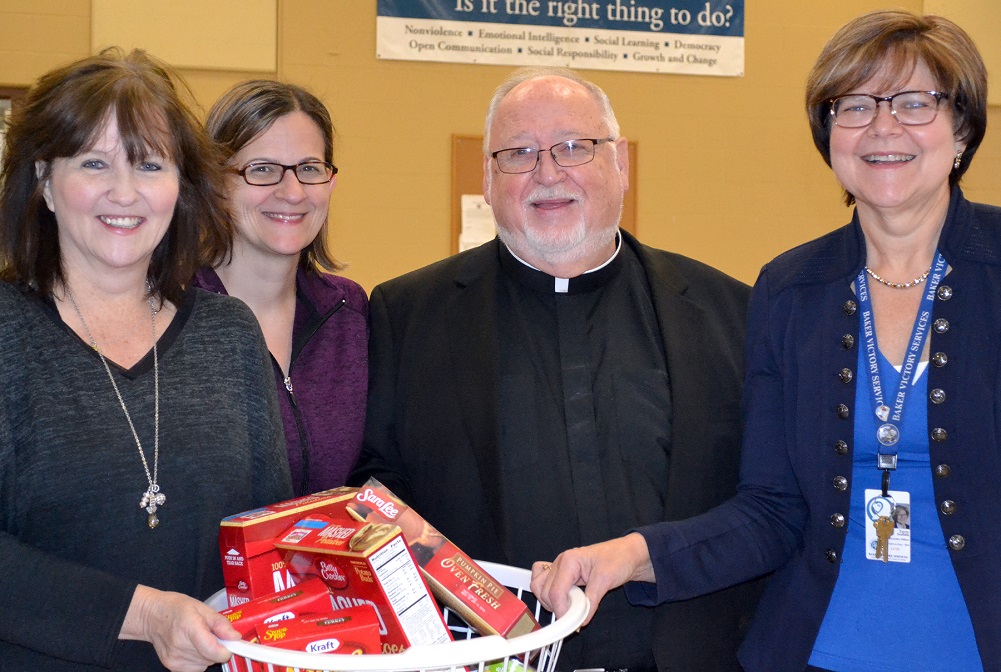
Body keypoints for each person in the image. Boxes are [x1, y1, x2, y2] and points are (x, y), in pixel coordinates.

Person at [532, 10, 999, 672]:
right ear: (828, 133)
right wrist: (628, 555)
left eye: (914, 102)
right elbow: (770, 512)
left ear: (961, 128)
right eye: (855, 105)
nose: (882, 127)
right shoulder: (788, 290)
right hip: (813, 653)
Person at [350, 66, 761, 671]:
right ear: (488, 180)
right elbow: (374, 490)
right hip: (487, 658)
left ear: (620, 163)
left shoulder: (731, 311)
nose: (547, 173)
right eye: (518, 153)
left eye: (574, 147)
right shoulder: (406, 315)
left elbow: (766, 503)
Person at [0, 49, 293, 671]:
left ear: (181, 187)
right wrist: (146, 616)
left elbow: (267, 536)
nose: (125, 193)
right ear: (45, 182)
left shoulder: (230, 334)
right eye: (94, 162)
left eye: (150, 164)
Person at [194, 80, 367, 495]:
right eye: (263, 169)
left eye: (309, 169)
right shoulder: (169, 317)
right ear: (216, 183)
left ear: (330, 182)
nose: (292, 192)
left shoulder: (351, 314)